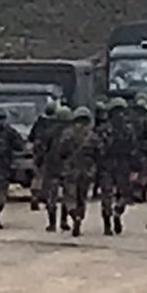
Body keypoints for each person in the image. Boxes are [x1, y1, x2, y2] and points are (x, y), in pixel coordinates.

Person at [49, 106, 98, 238]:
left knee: (70, 197)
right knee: (82, 197)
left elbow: (60, 152)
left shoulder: (68, 133)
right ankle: (79, 218)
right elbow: (99, 153)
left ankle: (73, 214)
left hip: (70, 170)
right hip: (86, 171)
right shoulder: (92, 135)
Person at [95, 97, 137, 235]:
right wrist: (135, 168)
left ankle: (107, 224)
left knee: (106, 194)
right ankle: (118, 211)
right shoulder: (128, 129)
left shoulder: (103, 129)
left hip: (107, 164)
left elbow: (98, 149)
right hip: (123, 164)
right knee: (123, 193)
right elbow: (134, 149)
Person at [39, 103, 74, 231]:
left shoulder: (49, 132)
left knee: (51, 197)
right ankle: (64, 221)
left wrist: (39, 163)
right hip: (68, 168)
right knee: (67, 195)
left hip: (52, 167)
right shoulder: (72, 133)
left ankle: (52, 223)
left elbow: (41, 149)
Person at [28, 100, 62, 211]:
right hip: (53, 153)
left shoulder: (39, 122)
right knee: (51, 178)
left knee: (38, 176)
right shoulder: (57, 124)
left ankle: (35, 196)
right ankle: (49, 199)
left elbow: (31, 137)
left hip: (38, 152)